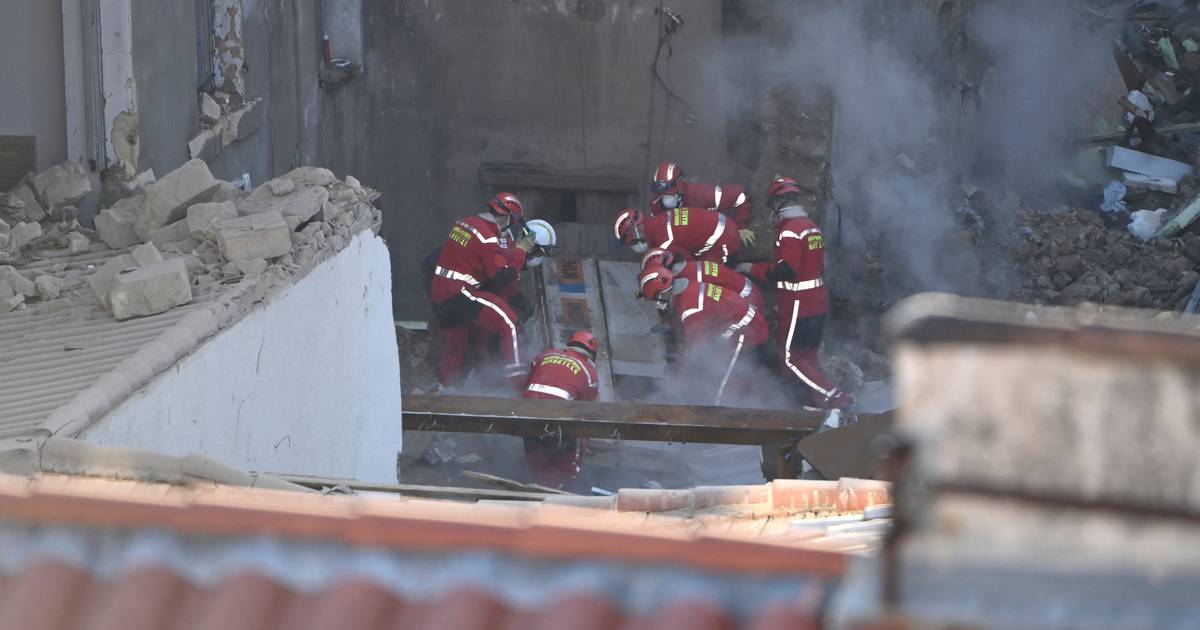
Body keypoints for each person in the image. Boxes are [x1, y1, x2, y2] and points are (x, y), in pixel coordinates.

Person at [738, 176, 851, 410]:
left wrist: (751, 268)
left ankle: (835, 397)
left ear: (776, 203)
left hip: (799, 303)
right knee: (808, 356)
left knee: (790, 358)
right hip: (817, 301)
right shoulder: (812, 228)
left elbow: (786, 270)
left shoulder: (790, 232)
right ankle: (817, 401)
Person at [429, 192, 535, 387]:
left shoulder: (464, 224)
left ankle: (446, 390)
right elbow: (502, 276)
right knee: (509, 324)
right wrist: (521, 250)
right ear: (507, 218)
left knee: (455, 347)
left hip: (440, 294)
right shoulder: (487, 237)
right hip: (459, 293)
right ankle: (518, 383)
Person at [637, 265, 767, 405]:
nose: (657, 305)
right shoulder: (687, 290)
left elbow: (695, 349)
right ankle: (752, 399)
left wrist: (680, 378)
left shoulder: (691, 307)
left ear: (661, 294)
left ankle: (720, 416)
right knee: (715, 366)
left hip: (747, 330)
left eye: (656, 301)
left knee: (723, 380)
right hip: (735, 325)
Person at [522, 331, 601, 487]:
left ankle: (539, 482)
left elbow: (526, 383)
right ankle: (562, 485)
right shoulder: (588, 371)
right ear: (590, 354)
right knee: (579, 432)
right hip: (558, 419)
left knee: (537, 454)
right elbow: (590, 409)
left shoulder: (544, 355)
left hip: (527, 414)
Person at [649, 161, 755, 243]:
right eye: (661, 195)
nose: (665, 199)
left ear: (679, 187)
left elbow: (740, 195)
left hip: (713, 240)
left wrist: (741, 227)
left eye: (669, 194)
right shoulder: (656, 205)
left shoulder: (700, 194)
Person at [614, 206, 742, 265]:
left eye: (633, 243)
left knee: (705, 277)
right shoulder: (659, 220)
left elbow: (690, 266)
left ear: (638, 232)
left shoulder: (665, 242)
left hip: (726, 242)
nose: (635, 247)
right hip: (725, 224)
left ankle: (745, 269)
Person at [639, 247, 763, 308]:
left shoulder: (691, 277)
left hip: (748, 302)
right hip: (746, 293)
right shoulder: (688, 268)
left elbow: (700, 309)